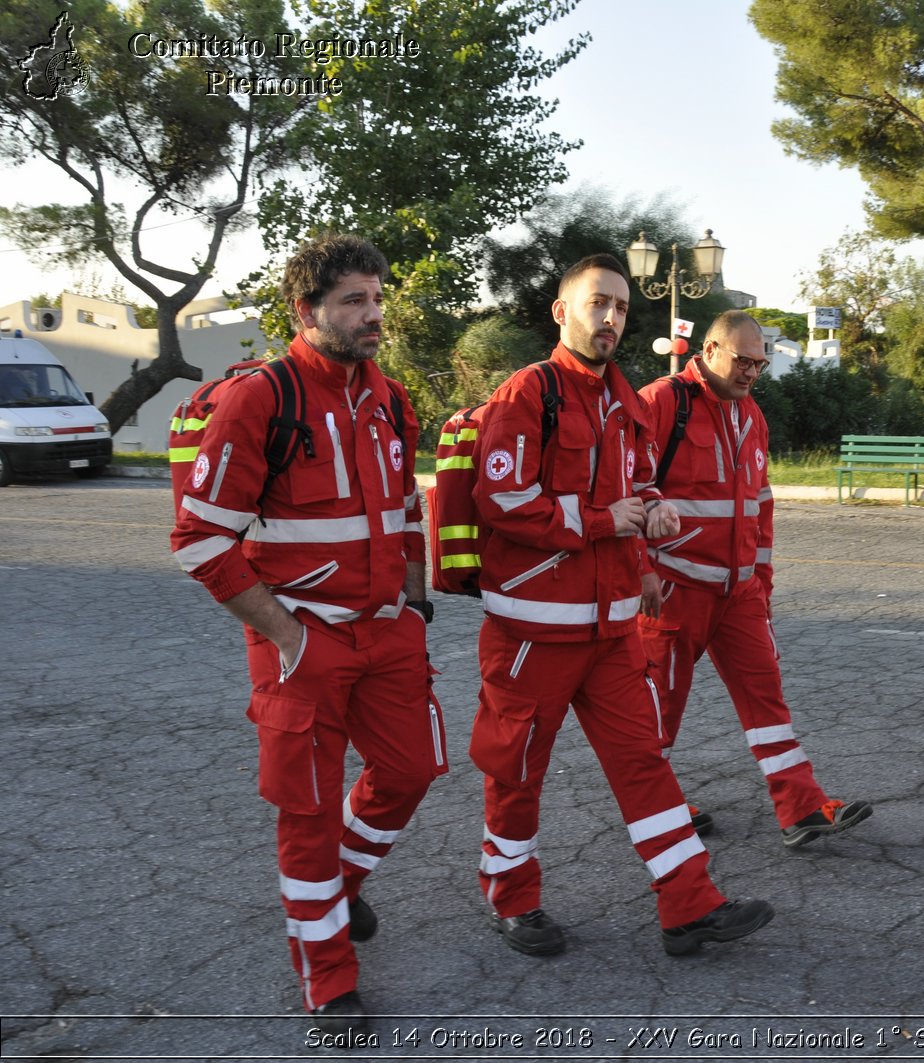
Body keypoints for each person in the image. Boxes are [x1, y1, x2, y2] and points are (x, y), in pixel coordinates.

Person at [170, 234, 446, 1034]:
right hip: (303, 642)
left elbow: (405, 512)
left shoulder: (391, 397)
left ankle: (342, 885)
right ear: (306, 309)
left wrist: (417, 601)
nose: (374, 315)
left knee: (414, 770)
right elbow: (199, 540)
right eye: (354, 301)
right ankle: (327, 978)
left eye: (378, 298)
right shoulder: (262, 397)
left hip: (388, 631)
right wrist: (289, 637)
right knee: (309, 810)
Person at [466, 253, 772, 961]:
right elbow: (503, 502)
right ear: (562, 310)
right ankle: (511, 897)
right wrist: (610, 519)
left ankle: (689, 905)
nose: (611, 317)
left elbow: (641, 485)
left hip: (610, 628)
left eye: (622, 307)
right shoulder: (525, 394)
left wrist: (653, 522)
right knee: (516, 769)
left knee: (644, 761)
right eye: (598, 302)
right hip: (532, 631)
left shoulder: (626, 400)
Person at [636, 310, 872, 846]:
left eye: (759, 365)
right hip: (674, 593)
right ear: (709, 349)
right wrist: (641, 571)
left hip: (739, 594)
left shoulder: (752, 417)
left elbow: (760, 506)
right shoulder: (660, 404)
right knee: (659, 709)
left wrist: (761, 584)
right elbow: (623, 490)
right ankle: (658, 806)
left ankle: (803, 809)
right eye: (742, 361)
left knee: (767, 699)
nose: (750, 373)